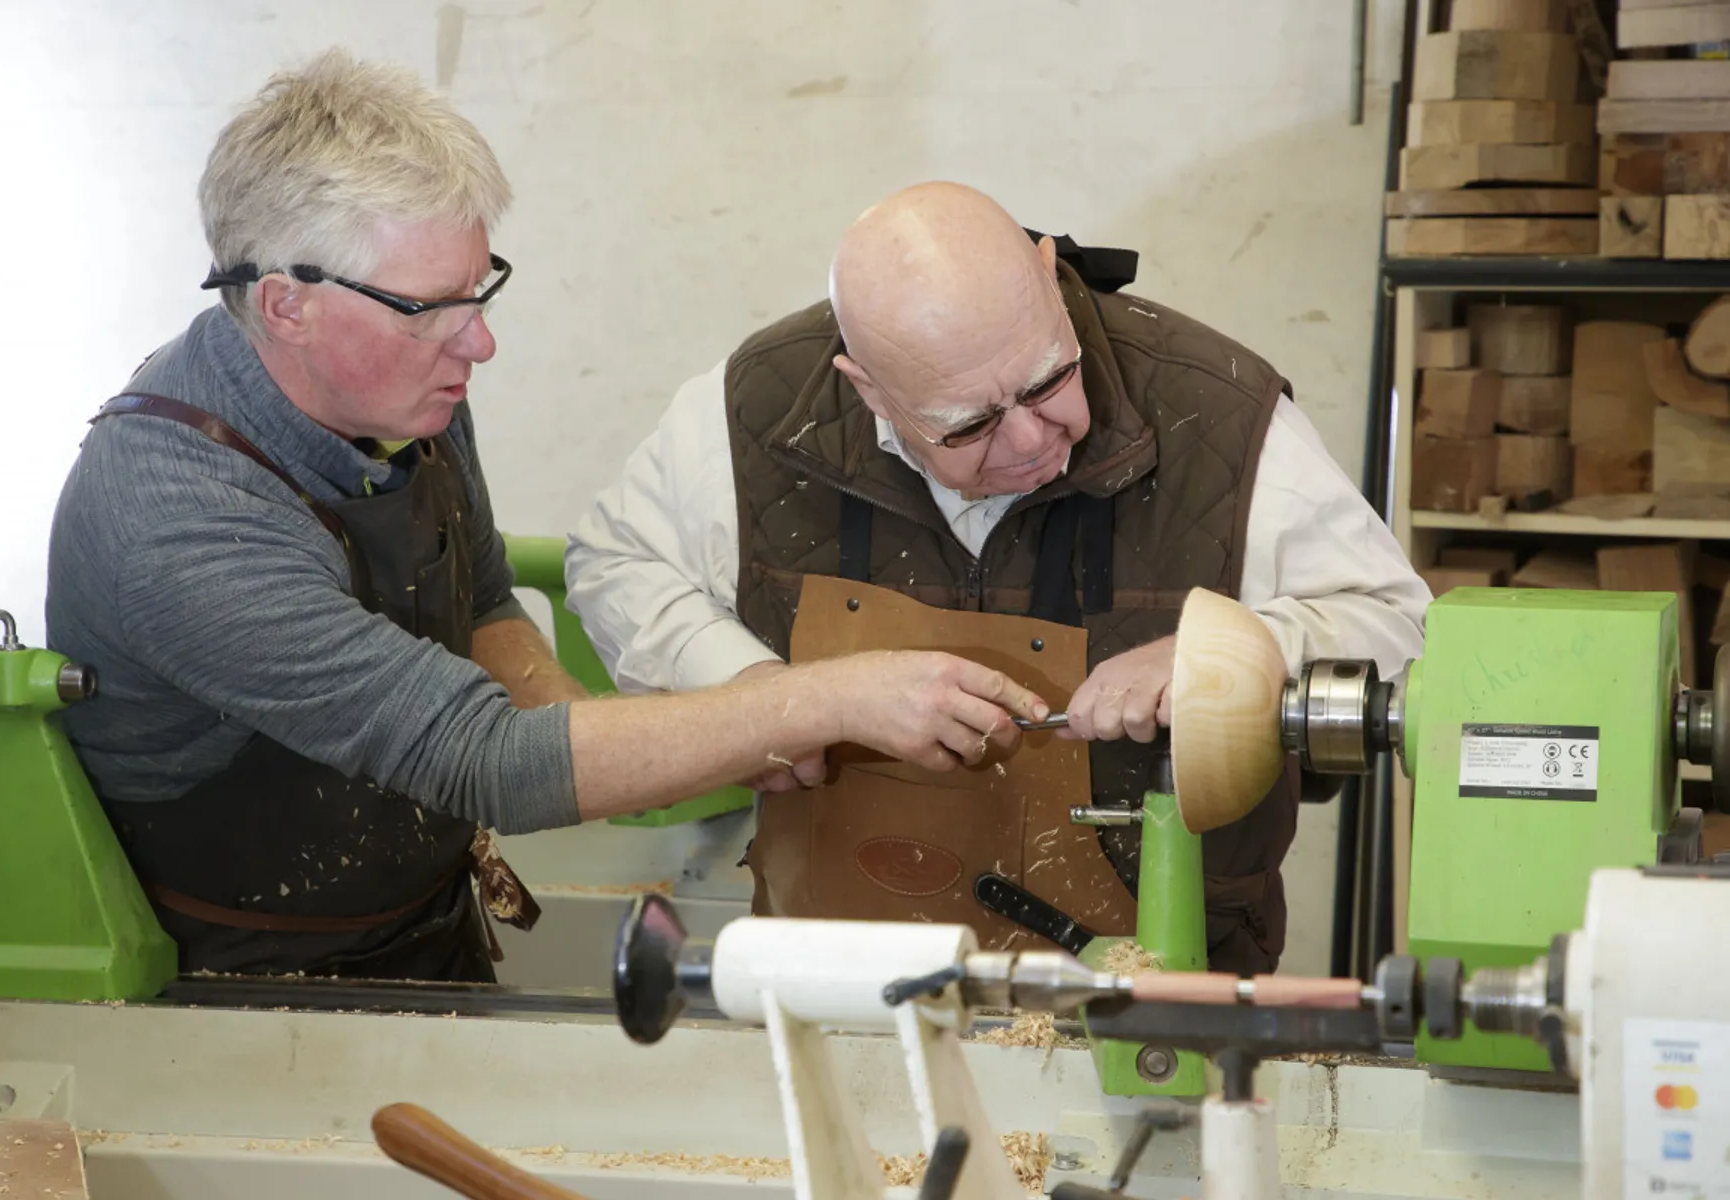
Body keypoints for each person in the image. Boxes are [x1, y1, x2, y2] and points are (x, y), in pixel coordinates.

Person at [44, 57, 1049, 984]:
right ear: (284, 306)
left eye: (478, 290)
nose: (477, 342)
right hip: (241, 984)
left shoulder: (407, 394)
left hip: (427, 919)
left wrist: (649, 745)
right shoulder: (176, 522)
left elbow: (482, 604)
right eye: (430, 309)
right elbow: (485, 760)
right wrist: (815, 702)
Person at [565, 181, 1431, 974]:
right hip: (833, 981)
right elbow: (615, 564)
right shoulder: (754, 411)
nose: (1031, 439)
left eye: (1048, 381)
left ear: (1049, 277)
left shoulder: (1220, 414)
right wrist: (762, 698)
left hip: (1156, 988)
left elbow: (1401, 626)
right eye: (969, 425)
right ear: (868, 391)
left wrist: (1225, 654)